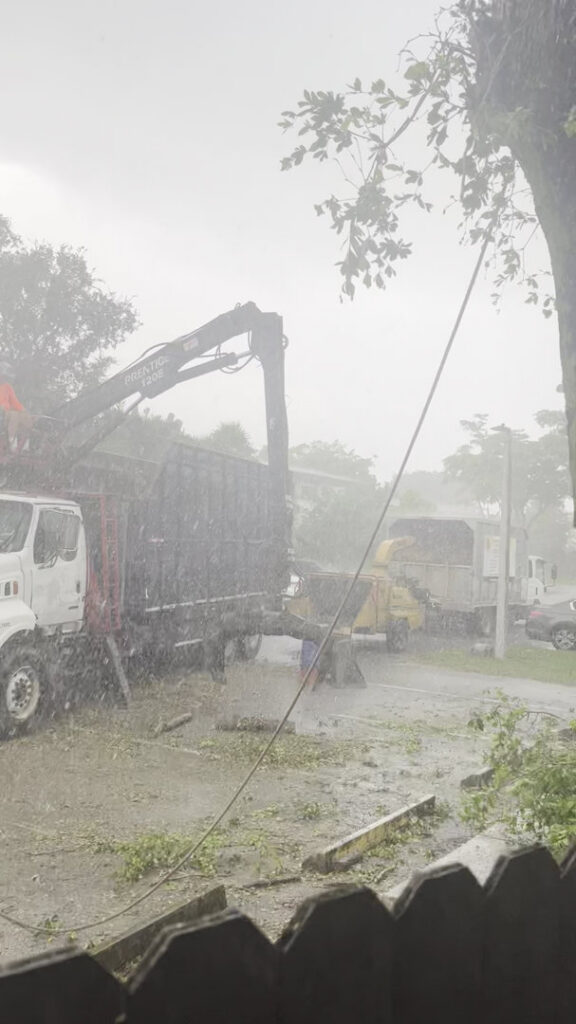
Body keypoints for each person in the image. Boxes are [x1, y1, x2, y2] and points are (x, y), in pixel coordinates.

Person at [0, 362, 31, 452]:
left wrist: (24, 412)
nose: (5, 379)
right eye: (3, 376)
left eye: (6, 377)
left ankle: (24, 445)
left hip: (6, 414)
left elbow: (15, 403)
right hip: (3, 414)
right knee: (14, 415)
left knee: (25, 417)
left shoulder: (7, 387)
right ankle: (12, 445)